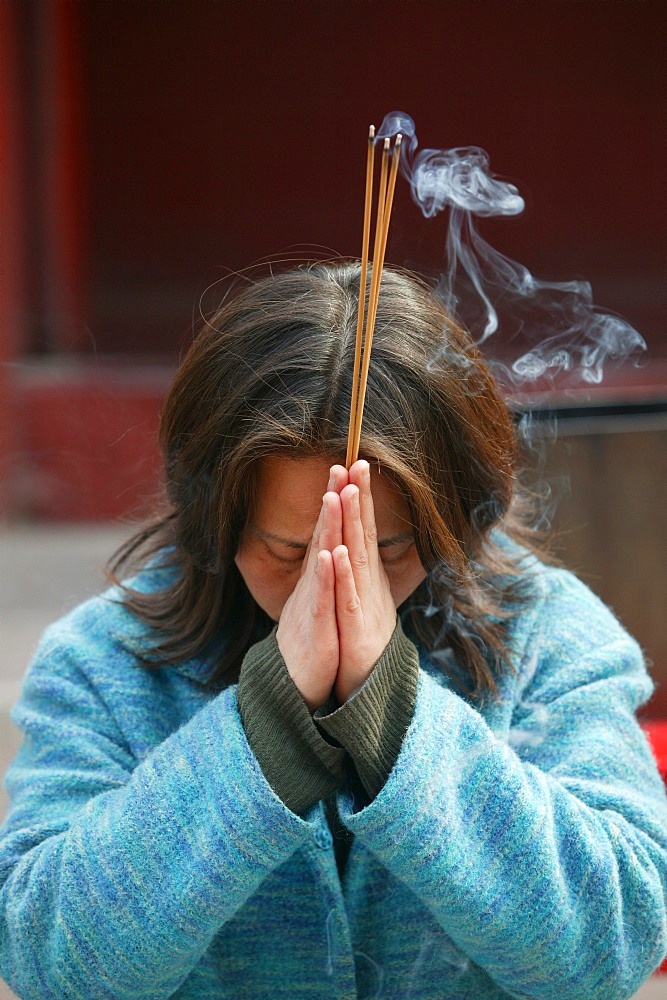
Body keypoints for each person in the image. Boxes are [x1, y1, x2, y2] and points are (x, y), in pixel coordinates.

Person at [1, 262, 665, 1000]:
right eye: (289, 552)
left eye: (390, 548)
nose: (340, 585)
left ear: (458, 517)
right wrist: (264, 730)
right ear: (213, 521)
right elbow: (49, 964)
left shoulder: (546, 634)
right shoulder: (104, 661)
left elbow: (610, 950)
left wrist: (395, 716)